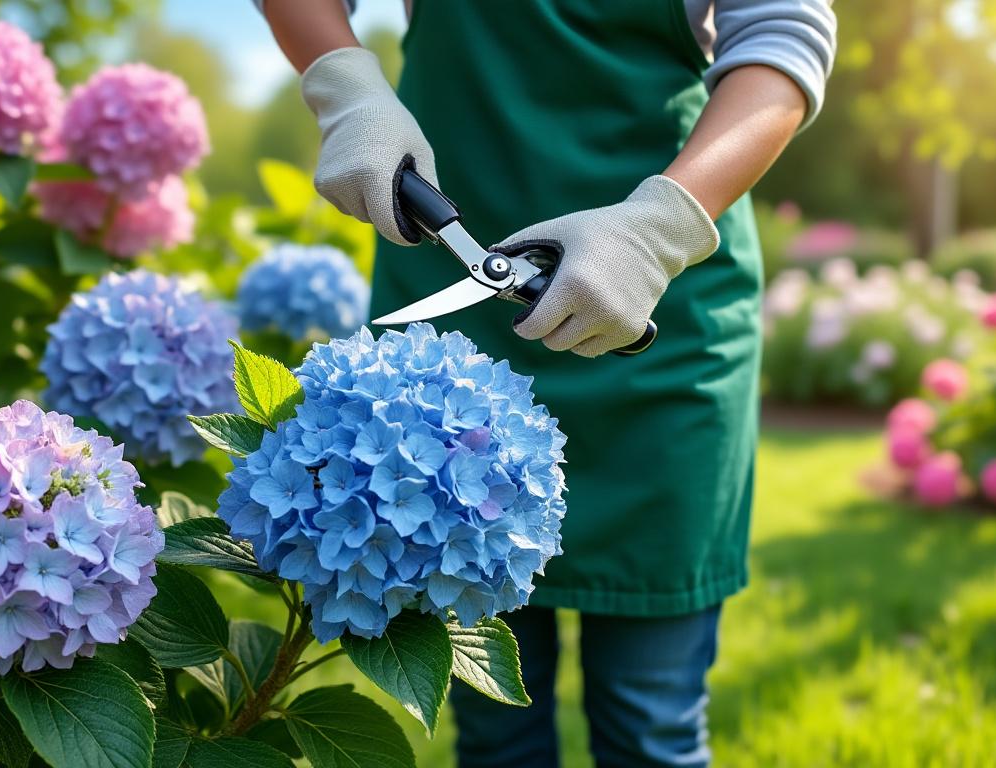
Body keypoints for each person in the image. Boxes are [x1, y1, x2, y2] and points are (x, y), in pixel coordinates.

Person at [257, 1, 836, 766]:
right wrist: (348, 87)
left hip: (655, 300)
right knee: (495, 732)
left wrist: (657, 228)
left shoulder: (657, 250)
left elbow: (784, 38)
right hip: (445, 307)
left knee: (651, 725)